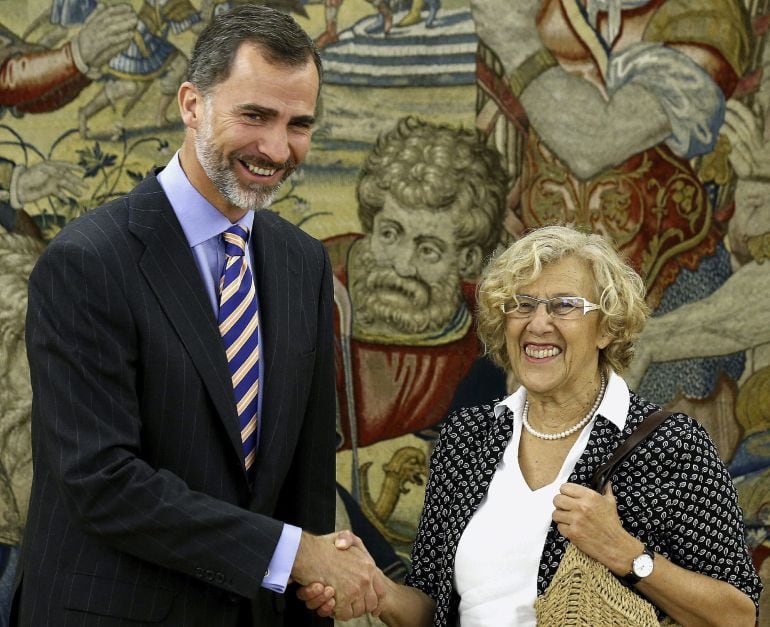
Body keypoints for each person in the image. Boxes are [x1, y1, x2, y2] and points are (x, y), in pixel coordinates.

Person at [13, 5, 382, 626]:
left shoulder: (303, 265)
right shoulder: (86, 262)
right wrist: (293, 556)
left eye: (299, 124)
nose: (276, 148)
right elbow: (104, 483)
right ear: (192, 105)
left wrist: (313, 576)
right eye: (256, 115)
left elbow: (306, 481)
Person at [299, 225, 762, 625]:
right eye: (522, 305)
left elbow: (737, 614)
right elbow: (433, 610)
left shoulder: (668, 445)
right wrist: (374, 589)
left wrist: (628, 556)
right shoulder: (469, 437)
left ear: (606, 328)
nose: (538, 324)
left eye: (563, 306)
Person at [327, 116, 508, 452]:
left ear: (467, 260)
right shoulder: (317, 296)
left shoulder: (488, 333)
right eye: (389, 234)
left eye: (428, 249)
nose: (401, 265)